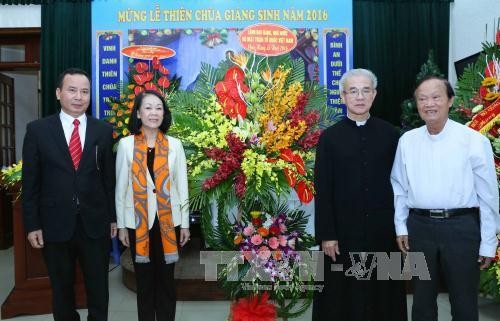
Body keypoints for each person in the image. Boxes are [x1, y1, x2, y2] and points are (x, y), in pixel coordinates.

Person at [391, 76, 499, 321]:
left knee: (463, 301)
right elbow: (399, 187)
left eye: (436, 97)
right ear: (416, 104)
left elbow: (488, 196)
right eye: (422, 98)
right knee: (421, 301)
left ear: (450, 100)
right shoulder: (407, 141)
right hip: (419, 228)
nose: (429, 104)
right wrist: (401, 226)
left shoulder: (473, 140)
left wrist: (488, 242)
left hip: (461, 229)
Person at [22, 68, 116, 321]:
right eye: (72, 90)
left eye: (84, 91)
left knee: (99, 288)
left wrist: (112, 219)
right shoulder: (38, 131)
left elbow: (109, 181)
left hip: (94, 224)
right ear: (58, 93)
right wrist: (32, 225)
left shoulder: (103, 131)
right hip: (54, 224)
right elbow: (30, 183)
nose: (79, 97)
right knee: (61, 289)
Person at [313, 68, 407, 321]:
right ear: (342, 96)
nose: (359, 96)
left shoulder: (390, 134)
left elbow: (400, 185)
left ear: (374, 95)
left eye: (366, 90)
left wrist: (401, 227)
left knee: (383, 294)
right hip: (342, 233)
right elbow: (322, 188)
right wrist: (327, 235)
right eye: (352, 91)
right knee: (341, 297)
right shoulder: (329, 138)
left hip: (382, 231)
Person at [115, 90, 190, 321]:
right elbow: (121, 188)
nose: (153, 112)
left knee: (167, 280)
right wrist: (121, 225)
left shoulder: (175, 145)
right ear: (138, 113)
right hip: (137, 221)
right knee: (144, 281)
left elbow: (182, 186)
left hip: (169, 221)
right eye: (148, 107)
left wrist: (185, 224)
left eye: (158, 107)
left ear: (164, 113)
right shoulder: (126, 145)